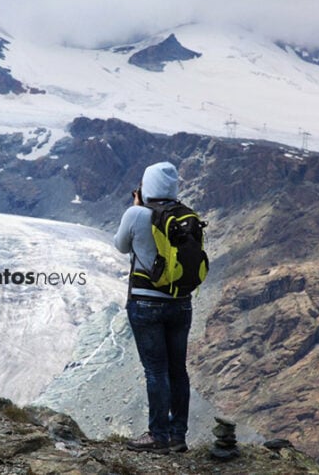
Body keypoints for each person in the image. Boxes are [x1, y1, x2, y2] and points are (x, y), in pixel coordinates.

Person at [113, 161, 193, 455]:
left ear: (147, 186)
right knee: (178, 370)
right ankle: (177, 436)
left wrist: (135, 206)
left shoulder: (137, 213)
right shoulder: (187, 216)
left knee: (156, 370)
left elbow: (121, 245)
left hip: (146, 303)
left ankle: (157, 436)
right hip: (181, 304)